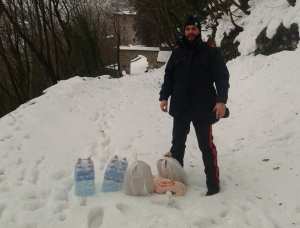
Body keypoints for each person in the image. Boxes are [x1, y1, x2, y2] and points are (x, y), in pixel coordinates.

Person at [159, 16, 230, 196]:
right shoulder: (176, 53)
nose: (191, 32)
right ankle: (177, 180)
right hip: (180, 107)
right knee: (177, 146)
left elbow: (222, 77)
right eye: (188, 29)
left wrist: (221, 101)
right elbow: (169, 77)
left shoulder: (210, 52)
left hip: (203, 108)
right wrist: (164, 97)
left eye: (194, 29)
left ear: (199, 31)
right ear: (184, 31)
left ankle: (213, 185)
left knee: (206, 147)